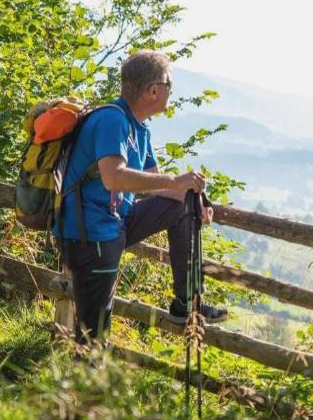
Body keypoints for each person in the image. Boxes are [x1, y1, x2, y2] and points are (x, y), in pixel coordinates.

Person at [54, 50, 227, 342]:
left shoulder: (139, 128)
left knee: (182, 208)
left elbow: (155, 185)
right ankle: (87, 370)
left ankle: (187, 303)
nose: (171, 90)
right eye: (169, 84)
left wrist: (194, 199)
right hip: (90, 235)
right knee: (94, 332)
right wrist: (176, 180)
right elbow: (113, 177)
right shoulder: (112, 120)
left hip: (115, 223)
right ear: (153, 90)